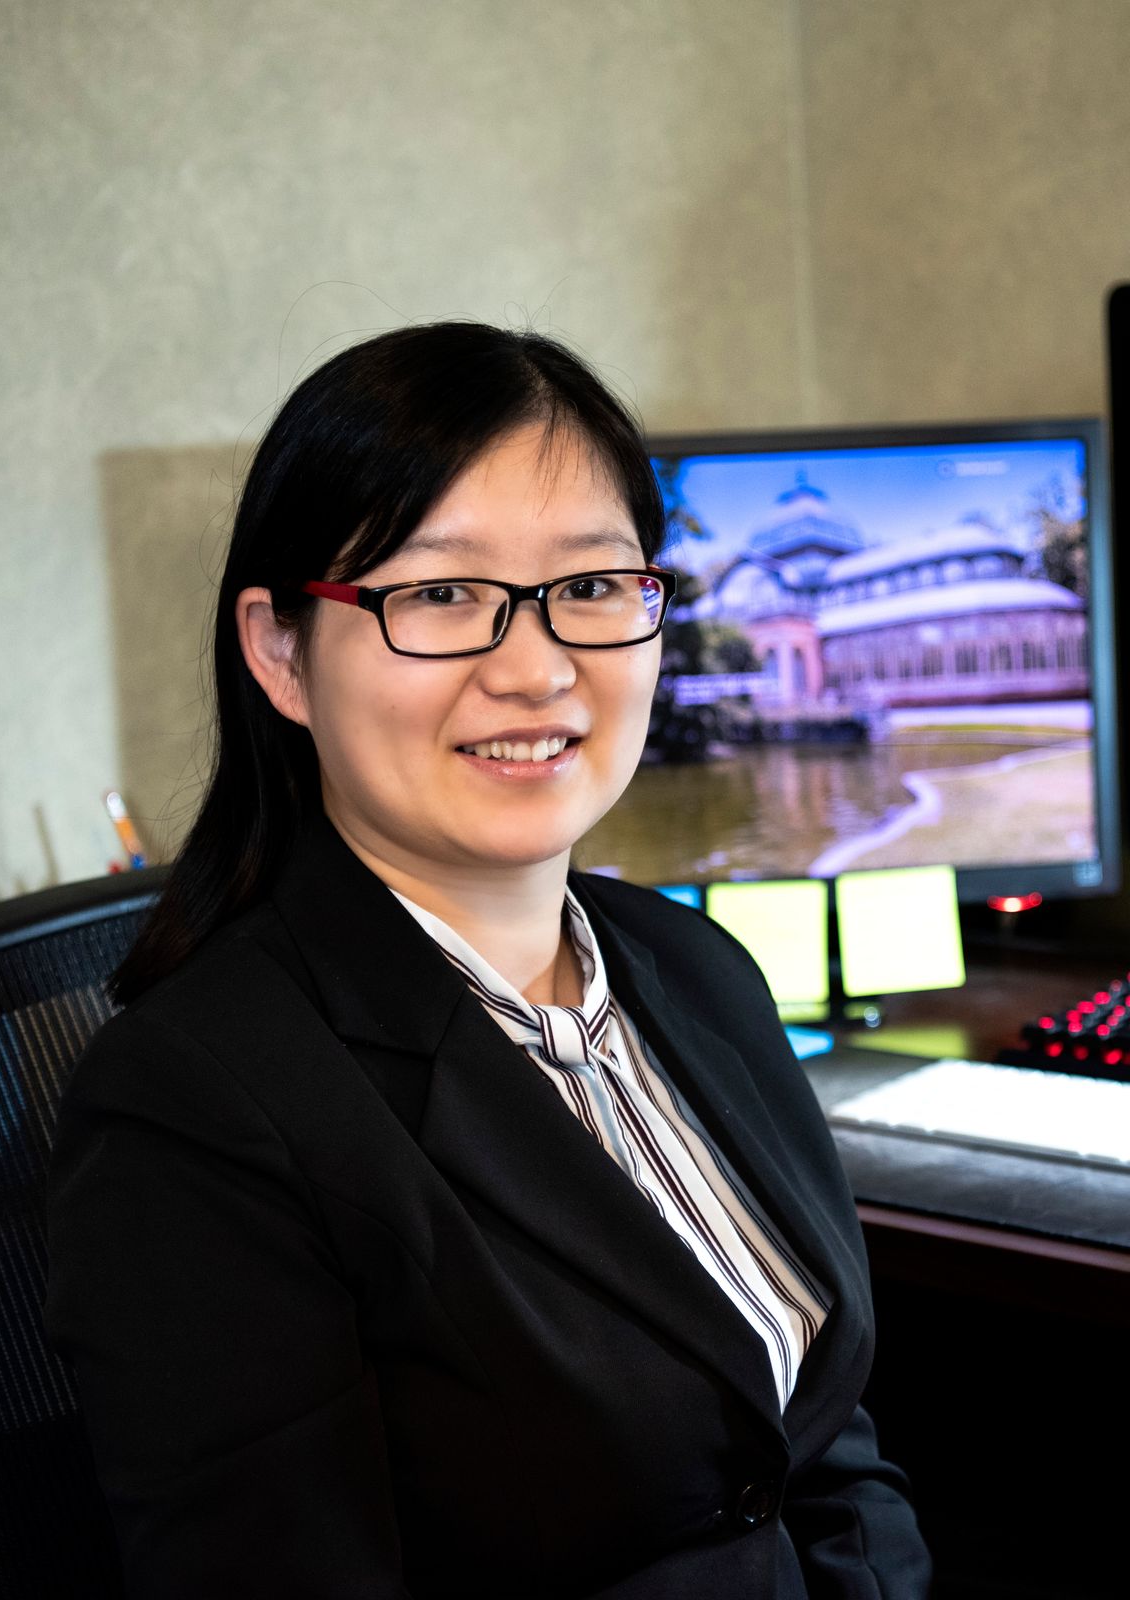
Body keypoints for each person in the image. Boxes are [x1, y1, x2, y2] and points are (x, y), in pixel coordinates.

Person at [46, 321, 931, 1599]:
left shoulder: (697, 969)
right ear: (281, 650)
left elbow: (819, 1443)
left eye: (590, 586)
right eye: (443, 593)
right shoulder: (192, 1107)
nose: (536, 666)